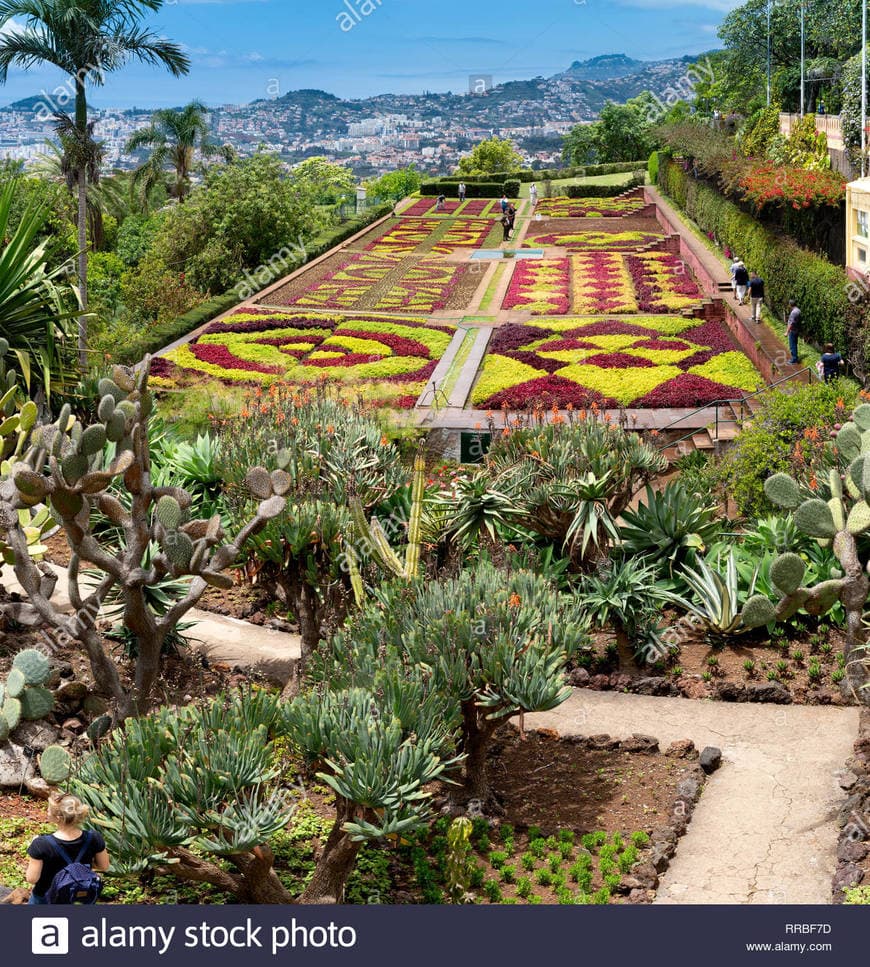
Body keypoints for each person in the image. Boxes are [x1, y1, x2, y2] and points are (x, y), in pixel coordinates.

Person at [26, 793, 109, 905]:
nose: (47, 812)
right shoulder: (93, 838)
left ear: (58, 817)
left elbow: (32, 878)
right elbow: (104, 866)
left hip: (46, 898)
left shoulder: (41, 844)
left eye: (49, 810)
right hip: (79, 896)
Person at [786, 299, 802, 365]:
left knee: (792, 345)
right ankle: (795, 357)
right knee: (794, 344)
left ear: (790, 305)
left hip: (793, 330)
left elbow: (791, 323)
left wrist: (787, 332)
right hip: (797, 329)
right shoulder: (798, 310)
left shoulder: (793, 312)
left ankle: (794, 359)